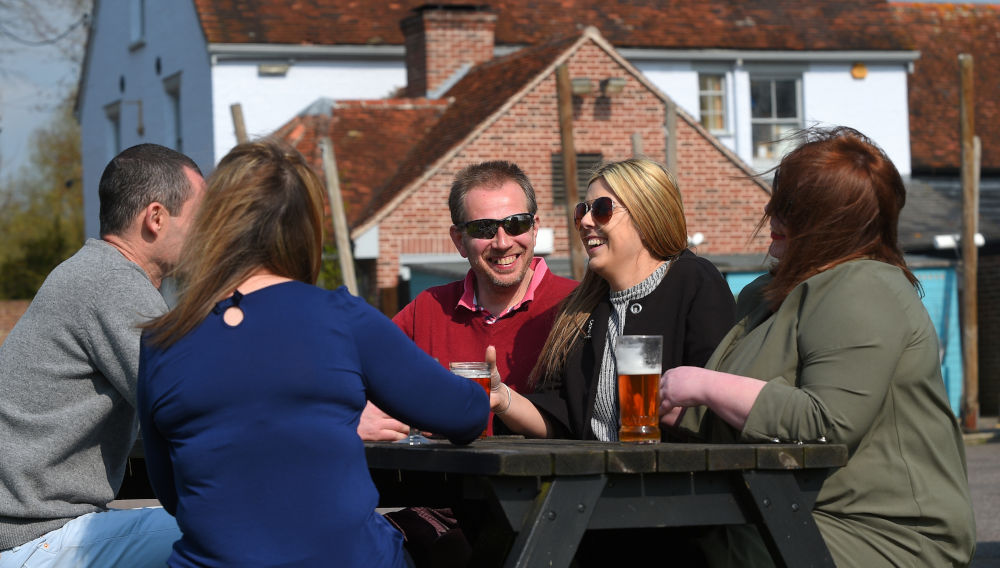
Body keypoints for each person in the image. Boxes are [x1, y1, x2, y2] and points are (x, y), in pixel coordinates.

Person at [136, 139, 489, 567]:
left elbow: (175, 495)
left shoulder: (162, 339)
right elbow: (466, 413)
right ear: (304, 231)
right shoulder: (340, 318)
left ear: (216, 225)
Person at [660, 127, 976, 567]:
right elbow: (753, 414)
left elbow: (826, 421)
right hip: (784, 510)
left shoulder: (864, 287)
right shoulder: (769, 295)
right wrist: (688, 411)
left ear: (830, 221)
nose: (769, 210)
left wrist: (704, 386)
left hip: (882, 533)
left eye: (788, 205)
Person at [0, 144, 205, 567]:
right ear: (155, 218)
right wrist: (332, 412)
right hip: (33, 539)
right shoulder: (111, 282)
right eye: (201, 218)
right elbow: (201, 402)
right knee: (240, 530)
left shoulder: (94, 272)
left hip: (36, 529)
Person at [487, 157, 735, 442]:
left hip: (674, 483)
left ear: (647, 214)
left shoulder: (694, 281)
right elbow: (561, 419)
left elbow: (718, 405)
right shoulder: (581, 307)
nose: (586, 221)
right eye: (583, 210)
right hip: (596, 482)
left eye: (602, 209)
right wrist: (502, 397)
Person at [360, 160, 576, 441]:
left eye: (516, 224)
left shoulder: (576, 307)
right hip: (441, 482)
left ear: (534, 228)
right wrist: (353, 415)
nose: (502, 242)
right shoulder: (427, 309)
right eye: (483, 229)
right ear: (459, 240)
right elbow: (350, 371)